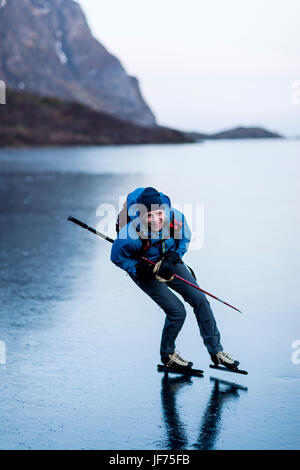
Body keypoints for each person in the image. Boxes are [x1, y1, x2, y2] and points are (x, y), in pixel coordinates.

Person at [111, 187, 239, 371]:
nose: (155, 219)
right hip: (144, 270)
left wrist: (174, 257)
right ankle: (168, 355)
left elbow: (185, 239)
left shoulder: (176, 219)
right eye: (149, 216)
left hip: (169, 261)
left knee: (200, 300)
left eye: (159, 214)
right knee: (177, 312)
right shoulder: (129, 236)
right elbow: (116, 257)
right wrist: (138, 267)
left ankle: (217, 352)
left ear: (165, 210)